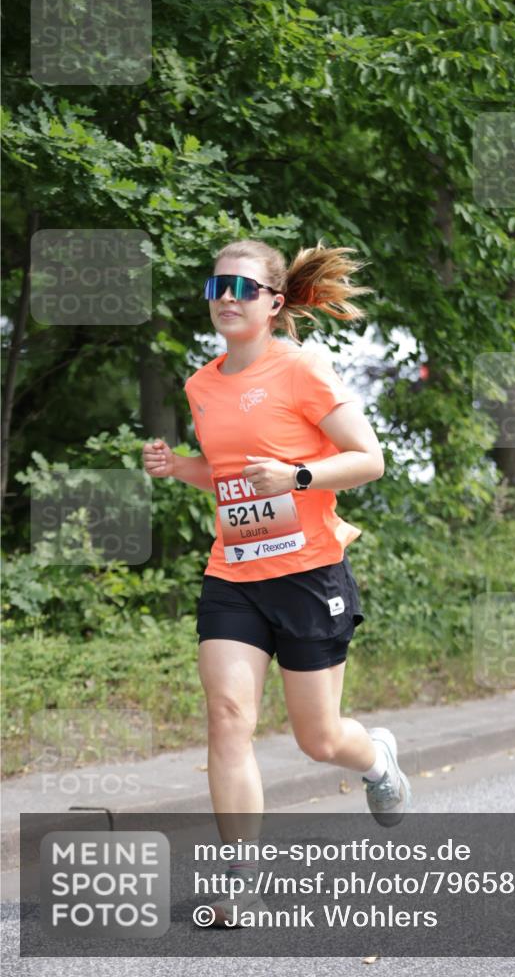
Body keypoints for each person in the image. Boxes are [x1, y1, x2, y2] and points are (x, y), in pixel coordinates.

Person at [142, 238, 412, 927]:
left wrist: (296, 476)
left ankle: (375, 757)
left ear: (273, 302)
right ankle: (241, 881)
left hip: (308, 572)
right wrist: (181, 467)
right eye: (216, 286)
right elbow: (227, 472)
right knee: (228, 717)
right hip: (233, 573)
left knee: (318, 741)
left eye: (242, 287)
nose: (226, 297)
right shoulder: (201, 384)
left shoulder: (301, 370)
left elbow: (368, 459)